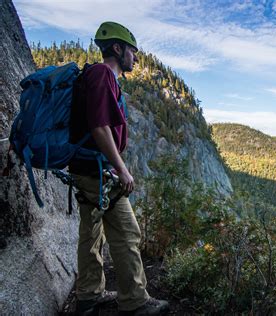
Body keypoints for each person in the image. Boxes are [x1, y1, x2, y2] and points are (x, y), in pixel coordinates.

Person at [69, 21, 169, 316]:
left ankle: (88, 297)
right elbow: (100, 128)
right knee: (127, 232)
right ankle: (135, 302)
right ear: (117, 48)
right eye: (132, 52)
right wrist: (122, 169)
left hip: (86, 167)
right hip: (97, 171)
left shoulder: (97, 76)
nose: (135, 58)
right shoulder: (102, 75)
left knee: (91, 232)